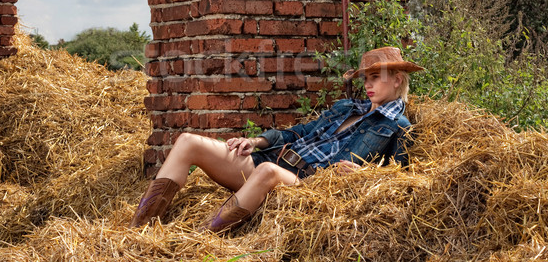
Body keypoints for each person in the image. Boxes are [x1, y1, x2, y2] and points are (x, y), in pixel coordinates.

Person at [130, 47, 423, 232]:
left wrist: (366, 175)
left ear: (397, 79)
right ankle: (137, 232)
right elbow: (298, 133)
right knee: (187, 141)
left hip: (305, 184)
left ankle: (196, 245)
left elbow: (400, 180)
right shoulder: (347, 108)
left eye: (376, 76)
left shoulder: (398, 126)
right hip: (271, 160)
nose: (368, 84)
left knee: (266, 173)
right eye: (365, 78)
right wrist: (255, 142)